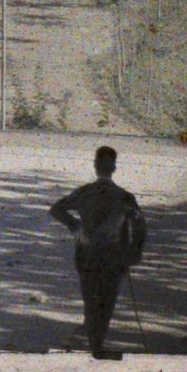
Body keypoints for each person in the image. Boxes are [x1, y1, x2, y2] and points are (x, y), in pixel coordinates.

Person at [49, 145, 148, 358]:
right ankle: (97, 345)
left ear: (95, 167)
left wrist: (76, 227)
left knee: (90, 298)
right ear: (114, 168)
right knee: (107, 301)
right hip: (114, 258)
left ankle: (94, 338)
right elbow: (140, 227)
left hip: (87, 256)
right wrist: (133, 253)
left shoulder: (84, 193)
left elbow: (56, 209)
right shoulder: (125, 197)